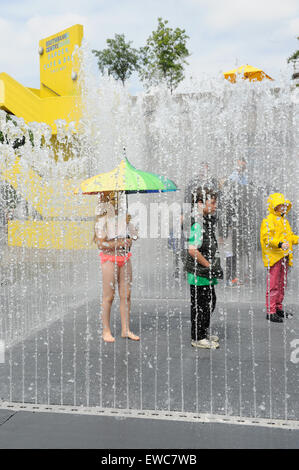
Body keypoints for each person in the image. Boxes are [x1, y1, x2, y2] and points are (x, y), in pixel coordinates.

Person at [93, 191, 140, 342]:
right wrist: (119, 243)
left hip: (125, 258)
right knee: (109, 296)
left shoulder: (123, 219)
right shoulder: (102, 221)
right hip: (109, 260)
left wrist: (130, 226)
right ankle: (106, 330)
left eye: (118, 200)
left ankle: (125, 329)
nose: (117, 203)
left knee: (126, 295)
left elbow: (134, 237)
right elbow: (101, 244)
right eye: (113, 200)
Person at [184, 186, 223, 349]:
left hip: (204, 273)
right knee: (201, 305)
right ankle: (198, 337)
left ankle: (203, 332)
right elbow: (192, 250)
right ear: (200, 203)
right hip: (199, 274)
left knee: (209, 302)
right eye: (212, 203)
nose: (215, 206)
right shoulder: (198, 224)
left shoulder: (204, 221)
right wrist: (209, 266)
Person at [260, 193, 298, 322]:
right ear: (273, 206)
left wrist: (296, 239)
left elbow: (290, 237)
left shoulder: (284, 221)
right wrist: (280, 244)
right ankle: (270, 311)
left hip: (285, 256)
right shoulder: (268, 220)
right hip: (275, 257)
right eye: (279, 205)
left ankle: (278, 308)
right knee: (273, 284)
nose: (282, 208)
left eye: (283, 205)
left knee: (282, 284)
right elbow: (266, 238)